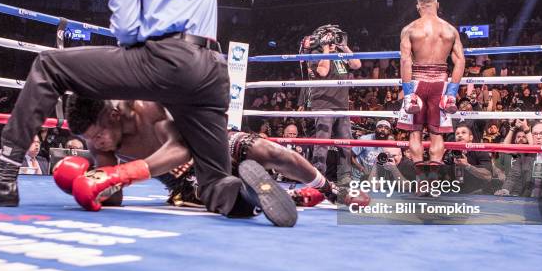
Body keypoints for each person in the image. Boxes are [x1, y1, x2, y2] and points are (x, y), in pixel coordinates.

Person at [0, 0, 296, 227]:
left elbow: (126, 28)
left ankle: (4, 178)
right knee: (214, 181)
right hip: (212, 68)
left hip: (165, 60)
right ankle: (242, 197)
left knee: (49, 64)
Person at [60, 97, 348, 208]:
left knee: (267, 149)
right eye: (90, 140)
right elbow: (115, 199)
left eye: (98, 135)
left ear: (112, 115)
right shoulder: (98, 143)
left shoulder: (148, 108)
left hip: (209, 146)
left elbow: (181, 148)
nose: (97, 144)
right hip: (186, 183)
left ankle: (329, 188)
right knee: (226, 195)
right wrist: (89, 180)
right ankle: (270, 193)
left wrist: (126, 171)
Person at [397, 0, 466, 165]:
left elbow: (406, 62)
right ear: (437, 4)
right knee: (437, 135)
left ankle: (421, 183)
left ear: (418, 6)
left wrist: (408, 93)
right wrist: (451, 93)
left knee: (415, 133)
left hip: (417, 82)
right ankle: (434, 181)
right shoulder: (450, 30)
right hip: (440, 84)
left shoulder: (410, 29)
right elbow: (460, 61)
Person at [298, 25, 361, 190]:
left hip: (342, 105)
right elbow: (323, 72)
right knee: (322, 143)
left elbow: (356, 64)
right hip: (323, 104)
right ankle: (318, 178)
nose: (332, 41)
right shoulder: (315, 54)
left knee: (345, 144)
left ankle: (345, 178)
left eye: (334, 38)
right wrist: (326, 49)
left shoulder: (341, 54)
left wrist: (344, 46)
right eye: (330, 38)